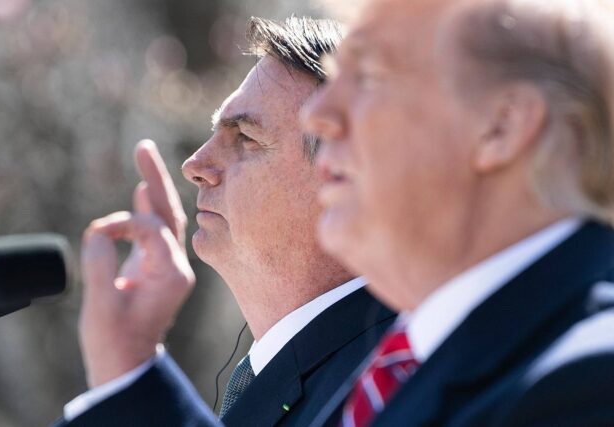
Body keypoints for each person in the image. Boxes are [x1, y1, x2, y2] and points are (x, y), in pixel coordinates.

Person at [53, 16, 395, 427]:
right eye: (215, 133)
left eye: (245, 137)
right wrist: (127, 357)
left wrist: (130, 377)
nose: (194, 165)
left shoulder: (389, 378)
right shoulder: (356, 366)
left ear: (343, 176)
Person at [301, 0, 614, 425]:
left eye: (369, 76)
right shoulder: (401, 365)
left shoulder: (586, 384)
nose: (316, 114)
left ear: (502, 125)